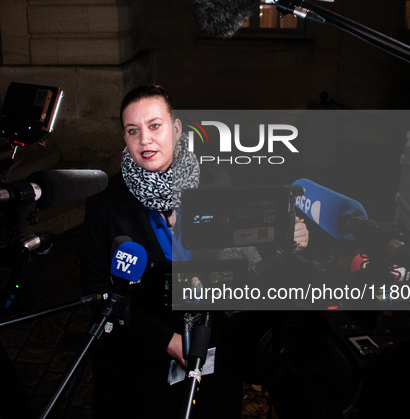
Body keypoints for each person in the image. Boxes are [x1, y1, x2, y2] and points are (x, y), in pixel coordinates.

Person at [81, 85, 309, 418]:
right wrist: (166, 340)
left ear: (175, 129)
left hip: (212, 347)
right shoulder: (105, 201)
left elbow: (244, 257)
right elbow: (96, 290)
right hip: (141, 365)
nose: (145, 139)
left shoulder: (216, 180)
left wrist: (286, 241)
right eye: (133, 130)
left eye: (154, 125)